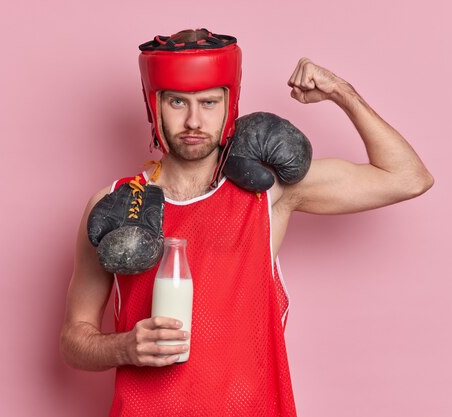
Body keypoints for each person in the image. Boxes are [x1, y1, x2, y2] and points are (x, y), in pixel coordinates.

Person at [60, 29, 433, 416]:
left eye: (208, 103)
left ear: (230, 104)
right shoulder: (114, 205)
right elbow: (74, 340)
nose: (193, 120)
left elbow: (407, 178)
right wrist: (124, 347)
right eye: (176, 102)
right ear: (153, 105)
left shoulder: (268, 194)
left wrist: (342, 93)